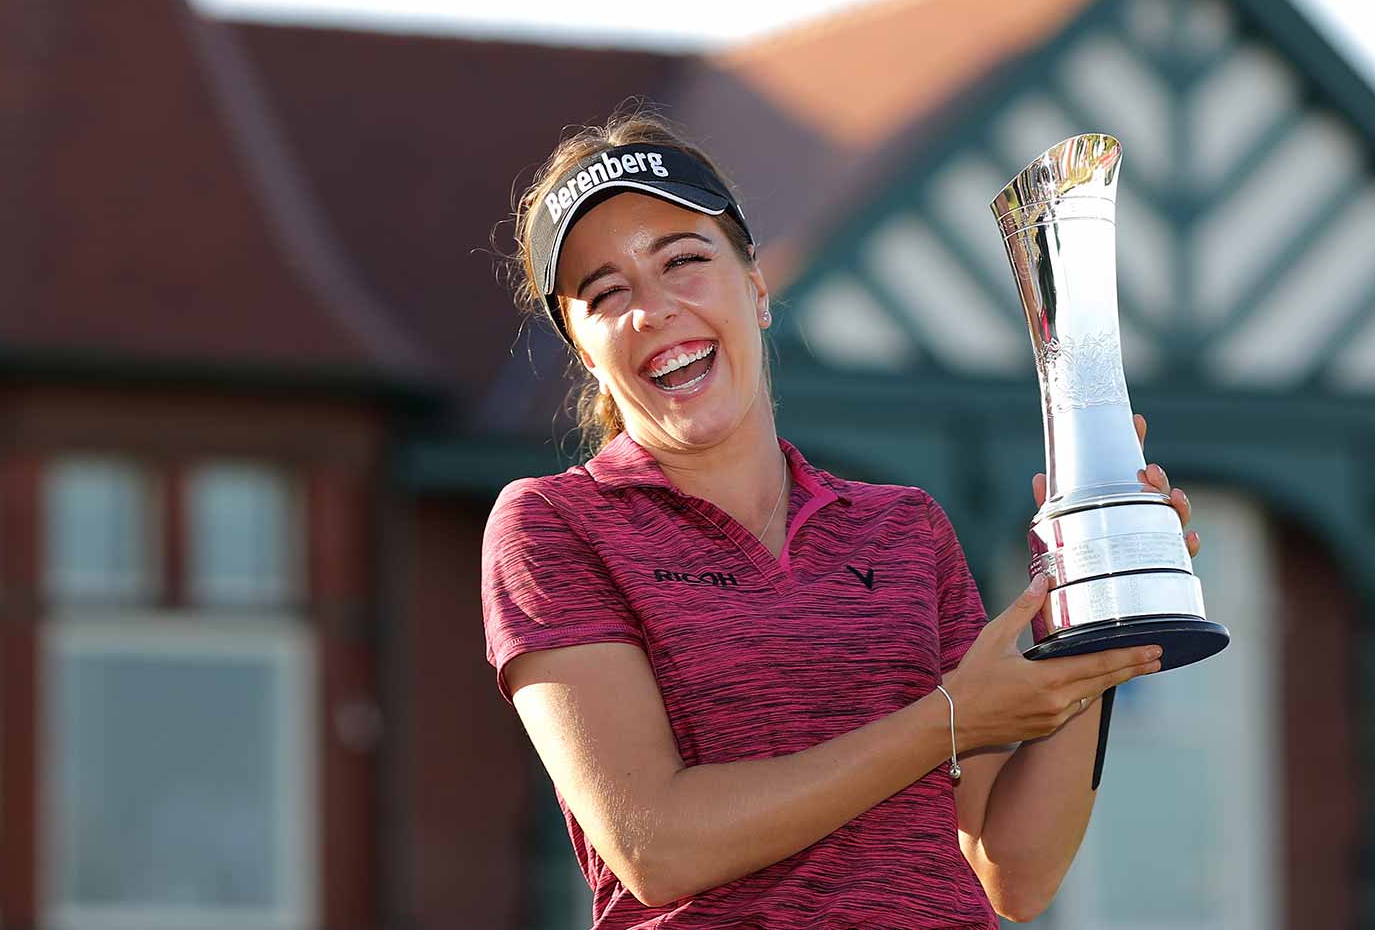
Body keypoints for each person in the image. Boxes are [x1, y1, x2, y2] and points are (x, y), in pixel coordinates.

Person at [480, 110, 1201, 928]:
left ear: (756, 289)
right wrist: (949, 717)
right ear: (584, 349)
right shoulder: (552, 526)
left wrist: (1095, 614)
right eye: (606, 293)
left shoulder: (903, 528)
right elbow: (656, 845)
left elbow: (1016, 870)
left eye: (683, 259)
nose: (652, 308)